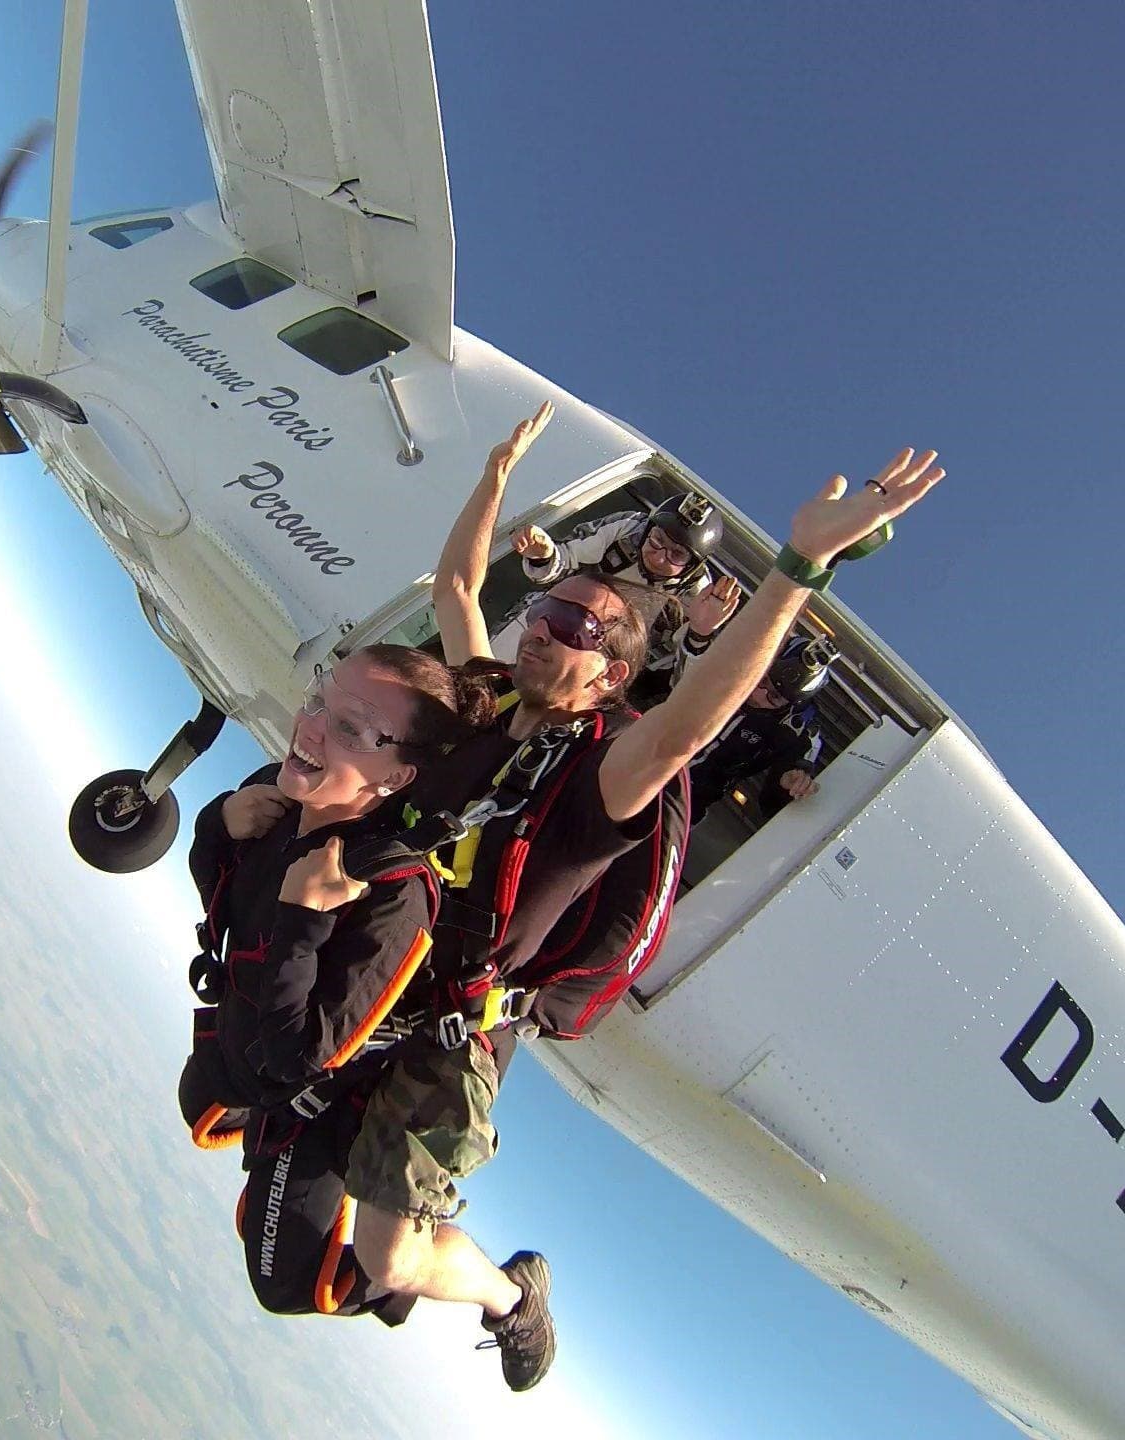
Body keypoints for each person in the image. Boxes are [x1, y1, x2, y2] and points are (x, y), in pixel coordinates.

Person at [340, 403, 945, 1391]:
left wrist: (798, 567)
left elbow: (685, 730)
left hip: (461, 1030)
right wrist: (495, 473)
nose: (547, 632)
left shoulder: (599, 775)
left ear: (616, 672)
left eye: (579, 628)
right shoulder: (490, 708)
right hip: (387, 975)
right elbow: (457, 584)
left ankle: (509, 1295)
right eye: (547, 615)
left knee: (389, 1259)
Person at [176, 645, 497, 1318]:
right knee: (200, 1101)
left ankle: (497, 1291)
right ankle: (264, 1157)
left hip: (312, 1097)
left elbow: (303, 1060)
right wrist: (219, 823)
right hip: (243, 1044)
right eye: (319, 699)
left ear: (399, 775)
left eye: (351, 729)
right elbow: (224, 907)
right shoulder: (280, 792)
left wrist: (304, 921)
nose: (311, 727)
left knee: (289, 1284)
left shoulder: (392, 899)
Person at [489, 490, 744, 706]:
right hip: (551, 619)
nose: (658, 557)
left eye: (676, 555)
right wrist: (543, 554)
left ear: (692, 564)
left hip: (596, 665)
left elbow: (683, 685)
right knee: (485, 670)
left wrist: (700, 633)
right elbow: (564, 560)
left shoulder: (696, 596)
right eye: (656, 541)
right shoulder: (627, 529)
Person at [685, 634, 836, 825]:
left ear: (789, 703)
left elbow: (770, 804)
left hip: (687, 803)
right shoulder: (726, 665)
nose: (758, 694)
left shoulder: (794, 727)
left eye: (774, 696)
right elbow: (659, 677)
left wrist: (787, 785)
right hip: (646, 761)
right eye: (762, 679)